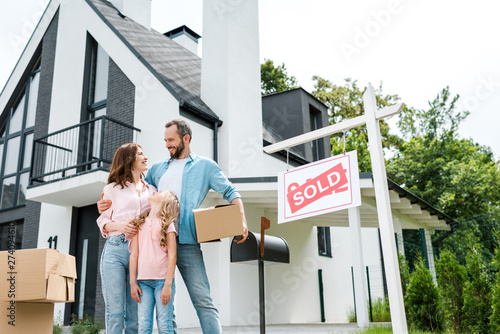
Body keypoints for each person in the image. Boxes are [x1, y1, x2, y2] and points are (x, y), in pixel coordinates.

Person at [99, 119, 248, 333]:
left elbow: (231, 191)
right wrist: (104, 203)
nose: (167, 144)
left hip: (186, 242)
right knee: (164, 305)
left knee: (203, 300)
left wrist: (241, 219)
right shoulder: (157, 169)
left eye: (171, 140)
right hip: (154, 244)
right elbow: (134, 192)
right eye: (165, 140)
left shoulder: (205, 166)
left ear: (185, 138)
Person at [96, 143, 156, 334]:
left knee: (135, 312)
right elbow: (103, 221)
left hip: (140, 252)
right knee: (115, 312)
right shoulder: (112, 189)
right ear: (129, 159)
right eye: (140, 154)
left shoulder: (151, 190)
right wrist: (122, 226)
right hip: (115, 249)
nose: (145, 157)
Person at [129, 190, 179, 334]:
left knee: (164, 325)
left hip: (163, 282)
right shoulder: (139, 223)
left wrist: (168, 284)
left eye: (160, 193)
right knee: (143, 326)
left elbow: (172, 256)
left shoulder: (168, 225)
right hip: (143, 283)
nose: (155, 192)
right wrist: (133, 282)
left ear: (165, 202)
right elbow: (134, 255)